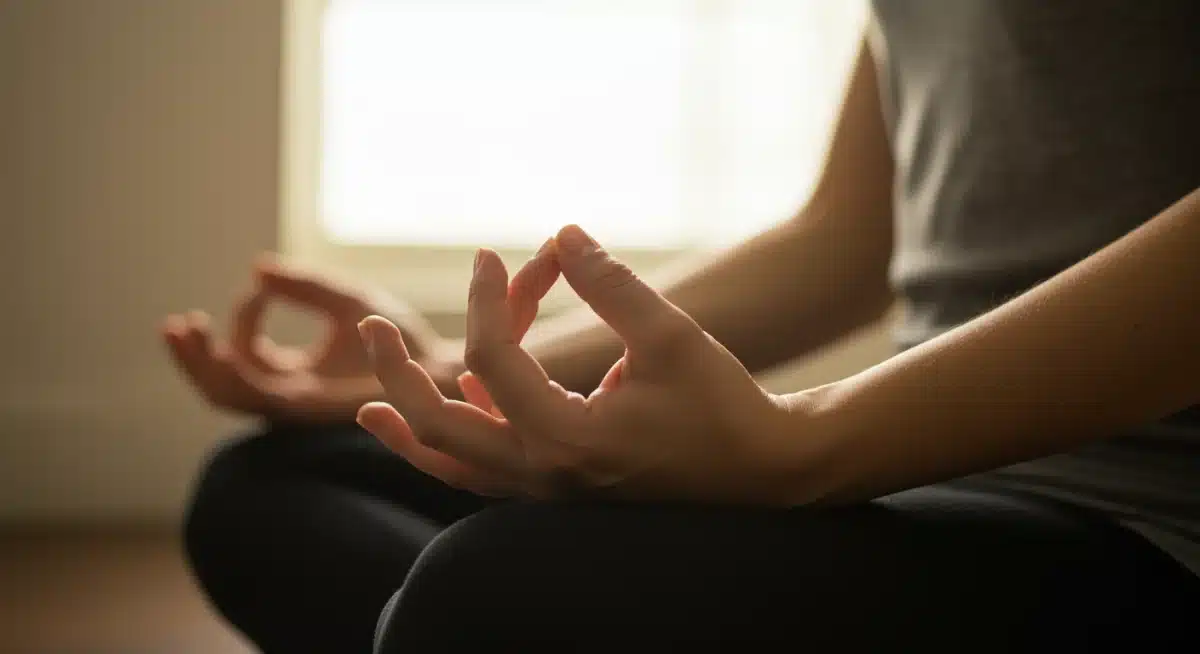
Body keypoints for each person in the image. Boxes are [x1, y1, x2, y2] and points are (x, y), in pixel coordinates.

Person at [166, 1, 1200, 652]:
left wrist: (797, 446)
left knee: (492, 594)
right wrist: (454, 378)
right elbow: (845, 241)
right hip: (930, 481)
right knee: (270, 483)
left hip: (1146, 524)